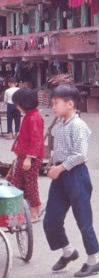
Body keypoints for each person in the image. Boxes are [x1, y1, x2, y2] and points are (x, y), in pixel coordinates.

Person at [43, 84, 99, 278]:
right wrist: (52, 166)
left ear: (70, 104)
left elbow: (80, 155)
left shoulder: (78, 125)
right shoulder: (60, 124)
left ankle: (93, 260)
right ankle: (68, 251)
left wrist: (59, 168)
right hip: (60, 176)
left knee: (83, 220)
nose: (53, 107)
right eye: (52, 103)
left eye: (55, 103)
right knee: (51, 219)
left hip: (76, 175)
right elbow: (58, 151)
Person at [9, 88, 46, 222]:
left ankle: (35, 211)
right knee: (16, 183)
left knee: (30, 185)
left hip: (30, 158)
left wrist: (28, 158)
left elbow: (36, 140)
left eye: (17, 104)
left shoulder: (34, 117)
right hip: (23, 156)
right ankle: (15, 211)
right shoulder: (30, 115)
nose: (16, 107)